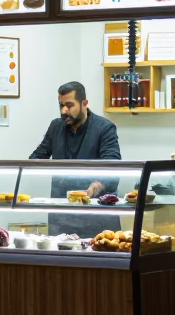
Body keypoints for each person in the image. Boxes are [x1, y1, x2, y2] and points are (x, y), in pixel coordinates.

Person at [29, 80, 122, 238]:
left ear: (84, 103)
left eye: (69, 105)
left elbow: (113, 166)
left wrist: (97, 185)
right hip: (61, 215)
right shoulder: (55, 126)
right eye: (61, 105)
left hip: (96, 216)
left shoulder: (105, 128)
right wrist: (28, 165)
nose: (64, 110)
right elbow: (40, 154)